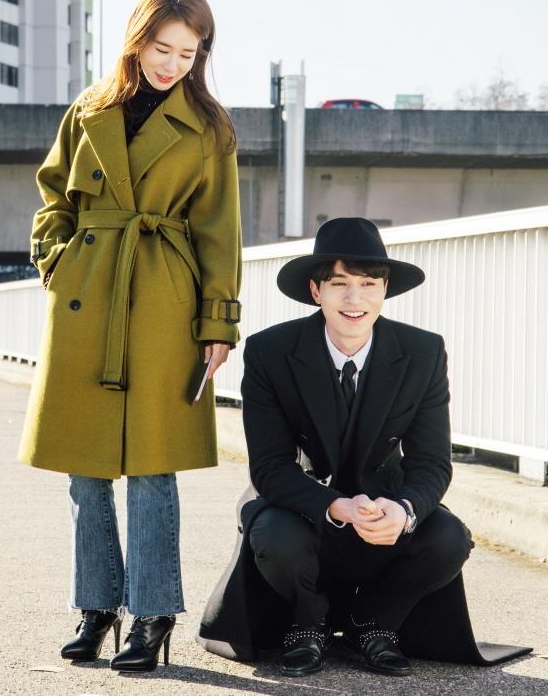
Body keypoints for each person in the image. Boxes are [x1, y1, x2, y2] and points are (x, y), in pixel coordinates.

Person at [18, 0, 242, 673]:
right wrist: (56, 258)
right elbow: (53, 194)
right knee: (85, 467)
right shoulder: (89, 108)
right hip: (87, 293)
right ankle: (96, 607)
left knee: (151, 466)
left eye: (188, 53)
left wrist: (217, 324)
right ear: (137, 40)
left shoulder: (209, 127)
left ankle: (152, 613)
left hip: (163, 301)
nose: (173, 64)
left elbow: (220, 232)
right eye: (162, 48)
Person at [198, 217, 529, 677]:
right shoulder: (270, 351)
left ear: (384, 289)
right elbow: (270, 467)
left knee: (450, 538)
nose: (355, 299)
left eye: (369, 283)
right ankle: (307, 625)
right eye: (340, 284)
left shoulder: (423, 352)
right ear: (316, 291)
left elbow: (432, 462)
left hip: (382, 505)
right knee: (273, 536)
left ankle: (371, 624)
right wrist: (336, 506)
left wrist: (404, 510)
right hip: (302, 509)